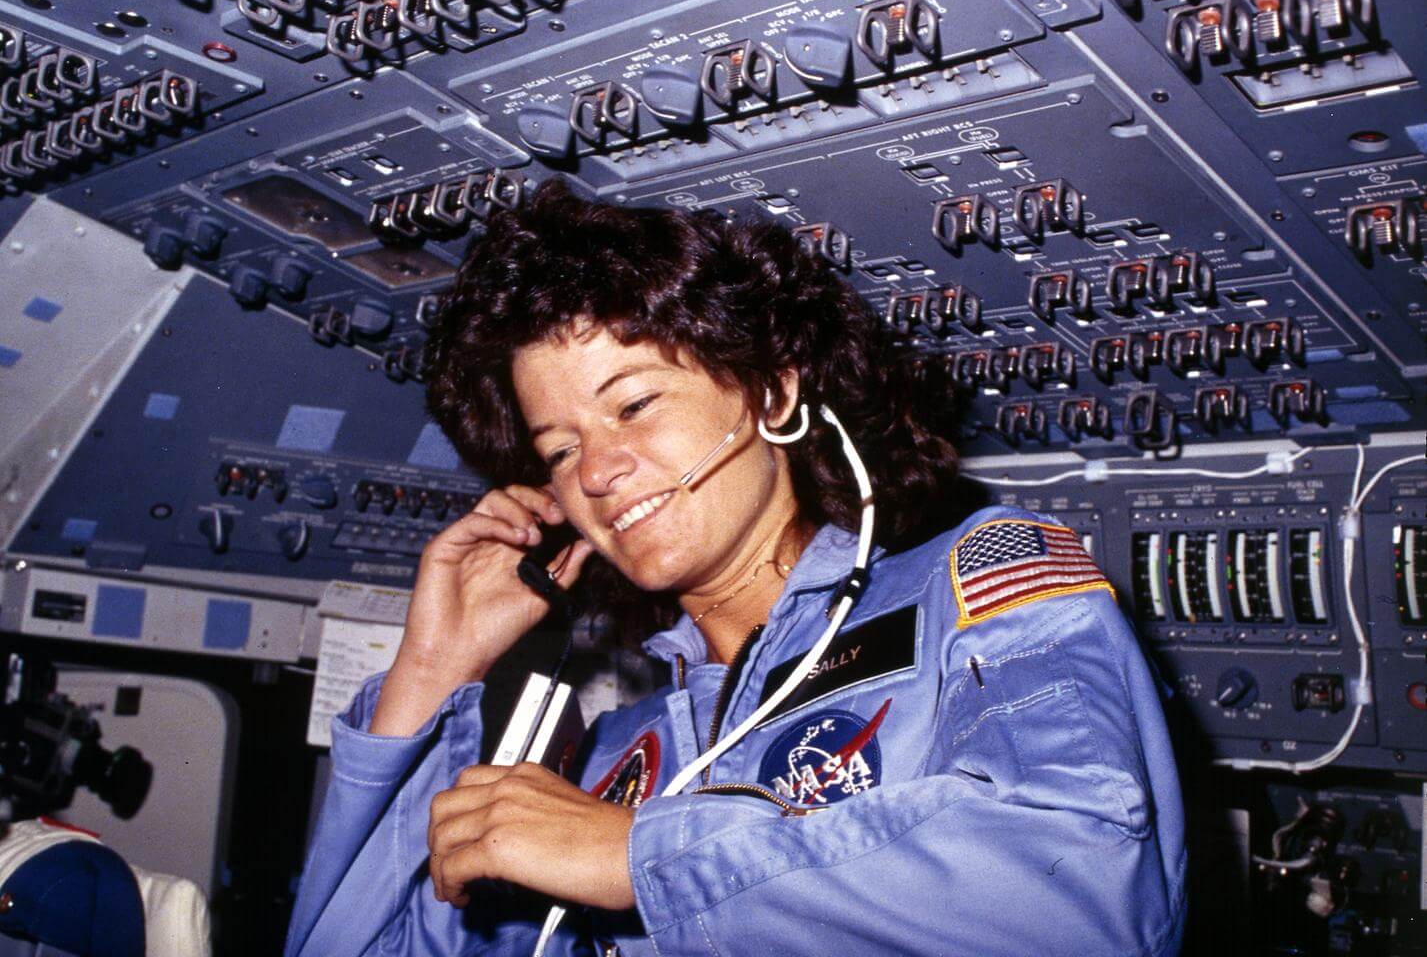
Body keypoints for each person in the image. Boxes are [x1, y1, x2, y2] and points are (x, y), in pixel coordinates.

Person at [285, 179, 1187, 957]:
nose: (596, 472)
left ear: (774, 391)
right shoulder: (608, 759)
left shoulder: (976, 583)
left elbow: (1084, 896)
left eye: (633, 404)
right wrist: (431, 672)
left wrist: (637, 856)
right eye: (559, 450)